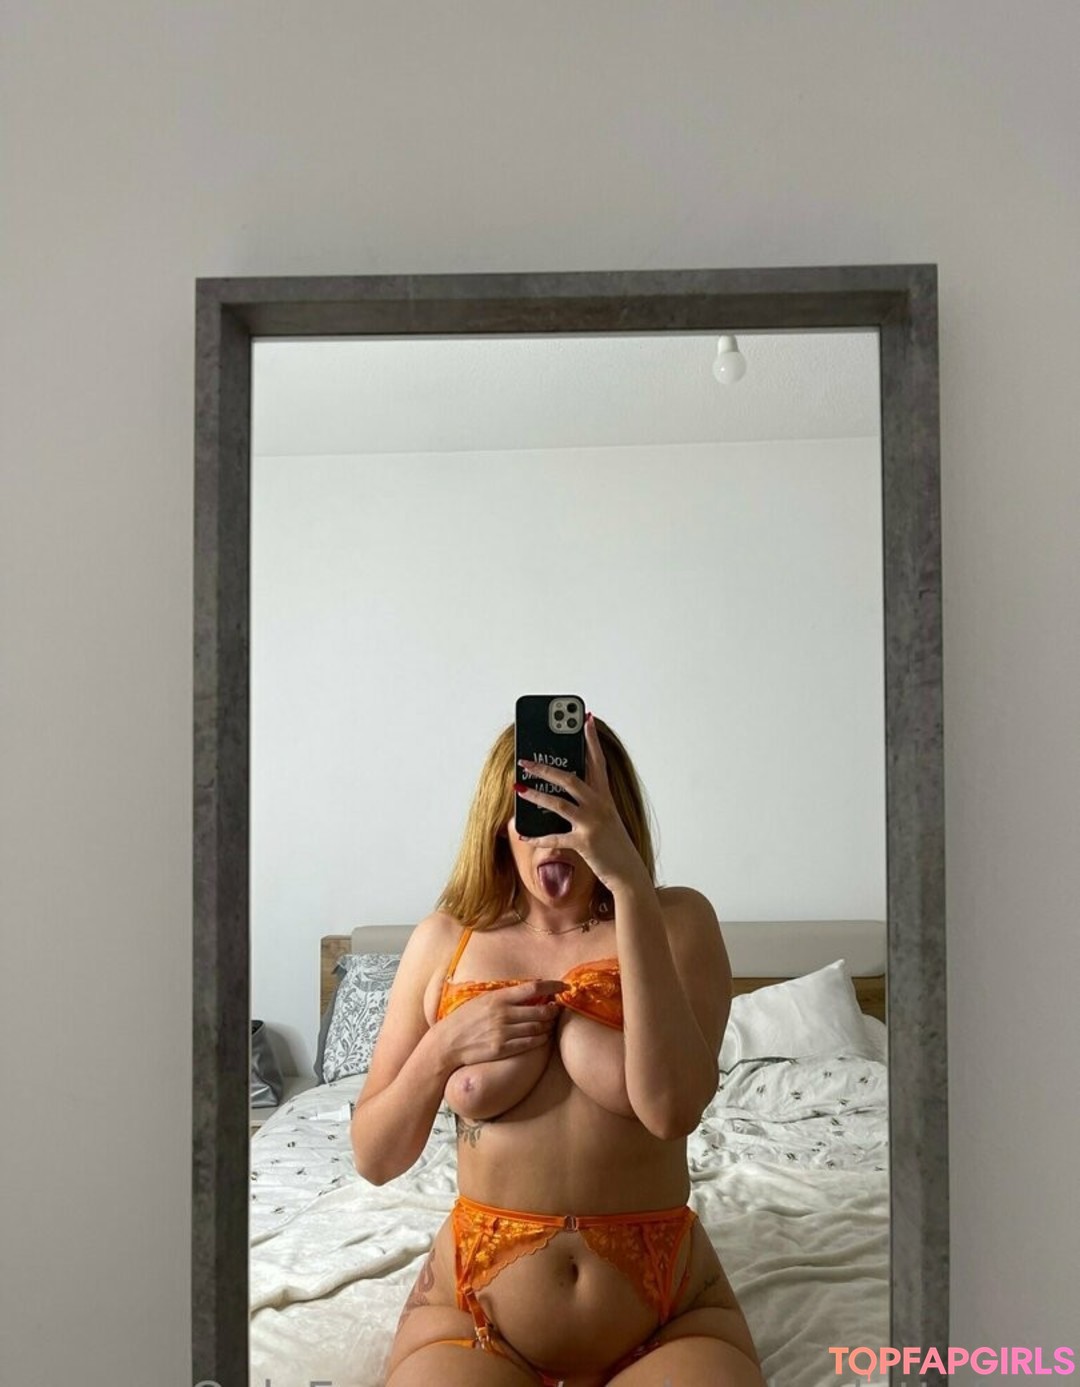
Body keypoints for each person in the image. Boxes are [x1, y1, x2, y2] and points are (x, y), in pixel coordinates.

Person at [351, 712, 766, 1387]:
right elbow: (374, 1157)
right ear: (500, 820)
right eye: (537, 809)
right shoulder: (445, 941)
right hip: (474, 1316)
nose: (556, 835)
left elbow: (671, 1109)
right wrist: (444, 1047)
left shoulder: (676, 922)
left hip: (667, 1318)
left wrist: (629, 886)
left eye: (577, 808)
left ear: (615, 818)